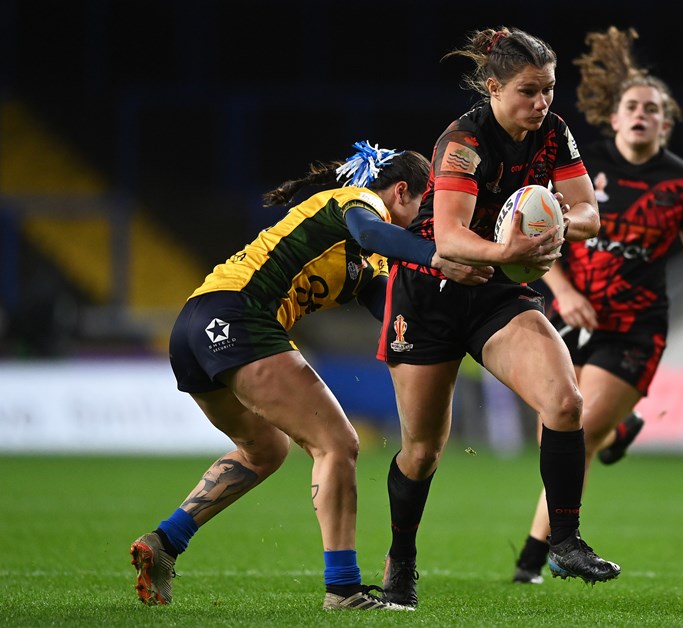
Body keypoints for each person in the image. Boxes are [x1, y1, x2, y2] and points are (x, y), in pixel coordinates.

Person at [129, 140, 491, 612]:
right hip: (240, 317)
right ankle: (342, 589)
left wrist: (461, 326)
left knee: (266, 450)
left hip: (196, 327)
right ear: (401, 190)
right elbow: (377, 235)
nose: (425, 216)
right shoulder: (357, 205)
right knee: (338, 443)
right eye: (424, 202)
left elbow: (393, 313)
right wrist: (436, 255)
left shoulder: (366, 258)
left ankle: (164, 542)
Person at [374, 26, 622, 608]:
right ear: (493, 88)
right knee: (424, 450)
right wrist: (508, 252)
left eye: (549, 90)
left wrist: (561, 213)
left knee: (565, 401)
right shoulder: (461, 142)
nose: (542, 103)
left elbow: (590, 212)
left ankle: (563, 540)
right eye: (529, 91)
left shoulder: (555, 134)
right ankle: (401, 559)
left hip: (497, 295)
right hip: (430, 295)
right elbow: (453, 236)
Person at [512, 26, 683, 584]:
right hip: (575, 315)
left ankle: (532, 562)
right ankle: (623, 429)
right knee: (555, 435)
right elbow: (545, 232)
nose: (641, 114)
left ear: (666, 122)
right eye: (632, 106)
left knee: (579, 432)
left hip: (637, 327)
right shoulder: (584, 174)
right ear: (614, 118)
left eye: (652, 109)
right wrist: (563, 292)